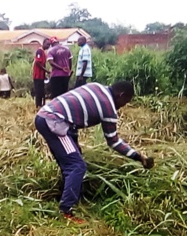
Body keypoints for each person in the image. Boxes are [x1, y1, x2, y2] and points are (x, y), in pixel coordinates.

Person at [34, 81, 154, 224]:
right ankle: (66, 211)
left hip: (48, 116)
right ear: (120, 95)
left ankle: (68, 195)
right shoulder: (109, 108)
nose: (123, 106)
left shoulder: (96, 86)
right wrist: (138, 156)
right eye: (125, 101)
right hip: (54, 121)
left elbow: (74, 111)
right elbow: (113, 141)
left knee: (73, 158)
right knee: (77, 166)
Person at [33, 39, 51, 108]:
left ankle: (41, 105)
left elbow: (43, 64)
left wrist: (44, 74)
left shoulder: (43, 52)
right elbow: (37, 62)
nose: (48, 46)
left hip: (41, 75)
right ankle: (38, 106)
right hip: (37, 75)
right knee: (38, 91)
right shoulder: (39, 51)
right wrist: (46, 70)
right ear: (43, 43)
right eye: (47, 44)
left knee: (42, 91)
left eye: (49, 45)